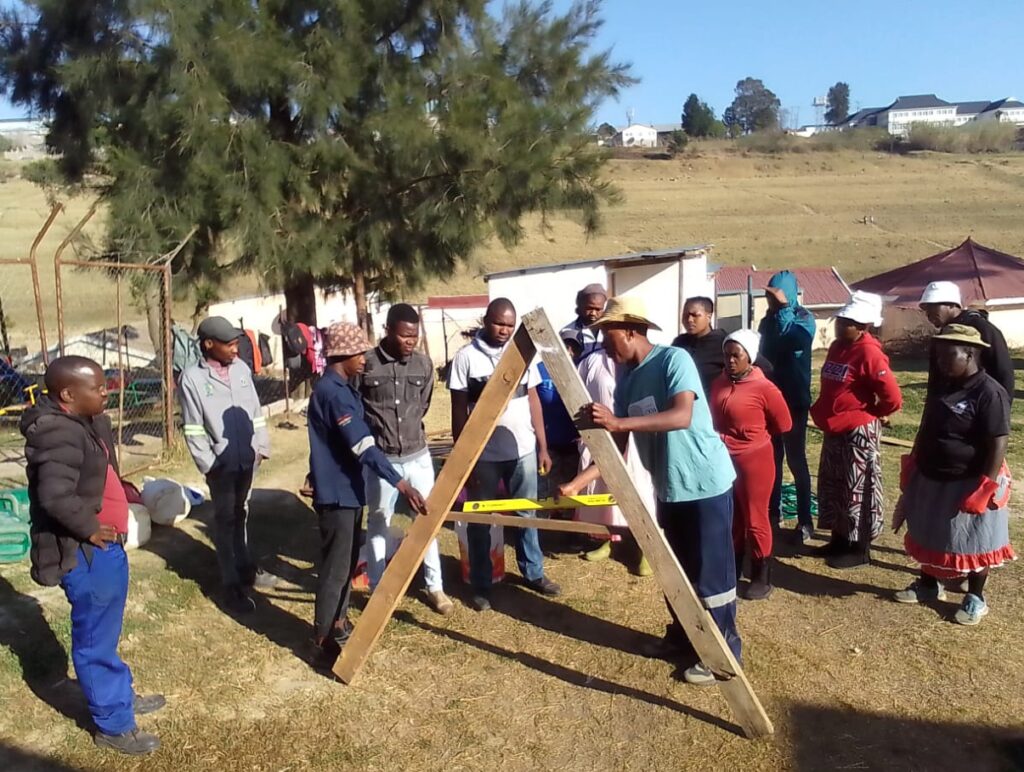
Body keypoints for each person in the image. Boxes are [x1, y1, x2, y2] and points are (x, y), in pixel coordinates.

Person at [559, 296, 740, 686]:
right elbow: (620, 447)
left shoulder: (674, 360)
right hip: (669, 488)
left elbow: (681, 416)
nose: (605, 345)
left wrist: (619, 422)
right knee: (676, 572)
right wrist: (578, 482)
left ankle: (723, 652)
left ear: (631, 331)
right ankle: (684, 638)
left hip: (704, 483)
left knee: (712, 574)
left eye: (609, 336)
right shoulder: (626, 380)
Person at [21, 356, 163, 755]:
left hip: (105, 549)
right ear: (68, 395)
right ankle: (113, 725)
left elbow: (95, 472)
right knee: (94, 640)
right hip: (85, 553)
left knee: (105, 631)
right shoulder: (57, 433)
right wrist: (88, 527)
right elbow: (54, 495)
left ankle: (119, 695)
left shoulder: (84, 422)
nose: (106, 391)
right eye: (98, 387)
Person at [307, 322, 427, 662]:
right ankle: (321, 641)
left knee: (345, 566)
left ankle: (340, 622)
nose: (364, 359)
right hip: (338, 495)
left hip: (348, 489)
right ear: (343, 355)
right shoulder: (333, 393)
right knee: (334, 570)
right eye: (359, 353)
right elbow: (362, 445)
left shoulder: (343, 388)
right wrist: (400, 482)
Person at [894, 324, 1014, 625]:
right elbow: (925, 426)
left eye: (949, 356)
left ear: (970, 353)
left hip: (969, 478)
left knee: (974, 539)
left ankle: (975, 597)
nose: (942, 363)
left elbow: (998, 441)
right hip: (932, 474)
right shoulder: (944, 387)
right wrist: (914, 461)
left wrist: (985, 486)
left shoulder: (989, 392)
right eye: (939, 357)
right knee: (928, 529)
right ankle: (928, 585)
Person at [448, 298, 561, 612]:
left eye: (510, 326)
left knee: (527, 513)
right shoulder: (466, 358)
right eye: (499, 323)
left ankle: (533, 573)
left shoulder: (522, 355)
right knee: (481, 519)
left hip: (522, 450)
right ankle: (481, 583)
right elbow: (458, 411)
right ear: (486, 320)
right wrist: (463, 457)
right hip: (483, 455)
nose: (505, 330)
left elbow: (534, 400)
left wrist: (541, 445)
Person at [353, 304, 453, 616]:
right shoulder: (366, 364)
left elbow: (422, 406)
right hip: (381, 460)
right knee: (379, 521)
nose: (410, 341)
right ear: (388, 330)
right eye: (404, 335)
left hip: (418, 456)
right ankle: (379, 589)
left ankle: (434, 586)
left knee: (426, 521)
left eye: (414, 335)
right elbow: (358, 406)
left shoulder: (423, 364)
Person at [178, 316, 273, 615]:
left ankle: (245, 566)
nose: (236, 349)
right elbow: (193, 427)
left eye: (236, 344)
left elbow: (255, 411)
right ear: (209, 344)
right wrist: (209, 463)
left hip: (248, 456)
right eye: (229, 344)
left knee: (241, 511)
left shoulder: (242, 370)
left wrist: (261, 446)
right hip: (221, 463)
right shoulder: (192, 379)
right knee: (224, 518)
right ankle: (230, 582)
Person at [811, 291, 902, 569]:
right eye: (841, 319)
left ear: (863, 326)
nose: (840, 324)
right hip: (835, 428)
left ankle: (860, 548)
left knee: (858, 489)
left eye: (848, 321)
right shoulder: (839, 346)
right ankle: (839, 540)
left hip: (858, 431)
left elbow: (893, 397)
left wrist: (875, 412)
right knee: (835, 485)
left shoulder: (870, 353)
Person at [709, 330, 792, 600]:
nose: (730, 360)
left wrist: (751, 435)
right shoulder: (720, 382)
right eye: (726, 355)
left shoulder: (765, 388)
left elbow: (784, 424)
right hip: (724, 458)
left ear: (750, 357)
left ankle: (761, 574)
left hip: (754, 459)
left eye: (736, 355)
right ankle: (732, 568)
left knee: (756, 519)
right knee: (732, 517)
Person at [574, 347, 656, 576]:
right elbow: (577, 395)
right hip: (602, 436)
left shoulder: (643, 362)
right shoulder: (591, 361)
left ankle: (645, 548)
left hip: (637, 436)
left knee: (640, 491)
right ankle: (610, 539)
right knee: (607, 490)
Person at [758, 271, 816, 543]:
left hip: (793, 401)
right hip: (769, 399)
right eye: (768, 296)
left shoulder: (805, 319)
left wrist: (783, 309)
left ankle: (805, 520)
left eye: (775, 295)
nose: (770, 300)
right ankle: (773, 513)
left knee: (796, 460)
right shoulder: (766, 322)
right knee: (772, 460)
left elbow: (789, 340)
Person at [918, 281, 1014, 403]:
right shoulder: (943, 335)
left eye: (933, 307)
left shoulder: (983, 329)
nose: (928, 314)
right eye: (926, 309)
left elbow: (1003, 371)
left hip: (978, 405)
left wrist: (1001, 408)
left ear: (952, 305)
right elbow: (935, 380)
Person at [672, 296, 773, 396]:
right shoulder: (679, 343)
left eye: (695, 315)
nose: (689, 319)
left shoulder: (725, 343)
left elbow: (765, 367)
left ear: (709, 316)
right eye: (685, 315)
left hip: (714, 406)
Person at [560, 283, 608, 360]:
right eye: (589, 308)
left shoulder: (610, 331)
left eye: (598, 309)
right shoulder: (567, 332)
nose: (593, 313)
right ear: (580, 307)